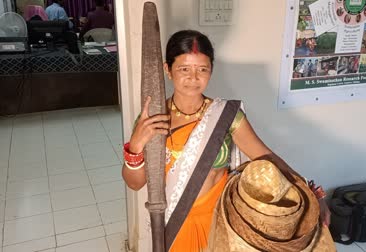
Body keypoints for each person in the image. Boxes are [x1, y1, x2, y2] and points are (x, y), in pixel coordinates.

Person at [122, 30, 330, 251]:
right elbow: (135, 183)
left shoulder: (225, 116)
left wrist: (312, 194)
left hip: (220, 221)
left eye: (202, 69)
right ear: (168, 70)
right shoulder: (153, 119)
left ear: (211, 70)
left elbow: (266, 157)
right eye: (184, 69)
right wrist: (136, 144)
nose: (193, 78)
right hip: (174, 223)